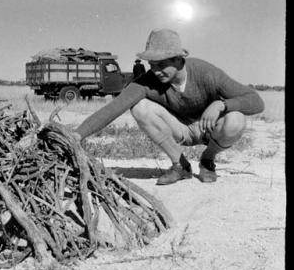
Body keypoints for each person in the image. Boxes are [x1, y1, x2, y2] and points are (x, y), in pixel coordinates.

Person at [74, 29, 265, 185]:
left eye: (161, 64)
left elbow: (256, 101)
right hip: (178, 129)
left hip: (209, 129)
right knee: (139, 107)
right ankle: (180, 165)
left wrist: (221, 105)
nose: (155, 71)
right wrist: (77, 135)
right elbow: (113, 108)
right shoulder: (146, 81)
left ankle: (207, 160)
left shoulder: (205, 72)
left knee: (236, 119)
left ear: (178, 59)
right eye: (152, 65)